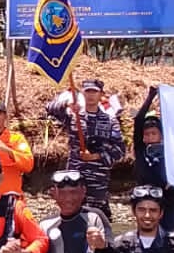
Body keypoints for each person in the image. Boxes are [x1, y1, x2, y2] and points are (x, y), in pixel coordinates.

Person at [44, 79, 126, 217]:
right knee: (73, 218)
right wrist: (67, 105)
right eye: (88, 91)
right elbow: (49, 107)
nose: (91, 95)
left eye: (94, 92)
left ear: (101, 94)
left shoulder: (110, 121)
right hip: (74, 180)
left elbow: (120, 150)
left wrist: (98, 156)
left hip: (97, 182)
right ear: (83, 93)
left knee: (98, 220)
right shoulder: (74, 116)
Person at [133, 85, 174, 231]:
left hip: (167, 202)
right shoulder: (141, 150)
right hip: (146, 201)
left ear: (161, 135)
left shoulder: (170, 152)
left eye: (154, 133)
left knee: (170, 236)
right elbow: (139, 120)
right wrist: (151, 96)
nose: (150, 137)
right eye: (147, 134)